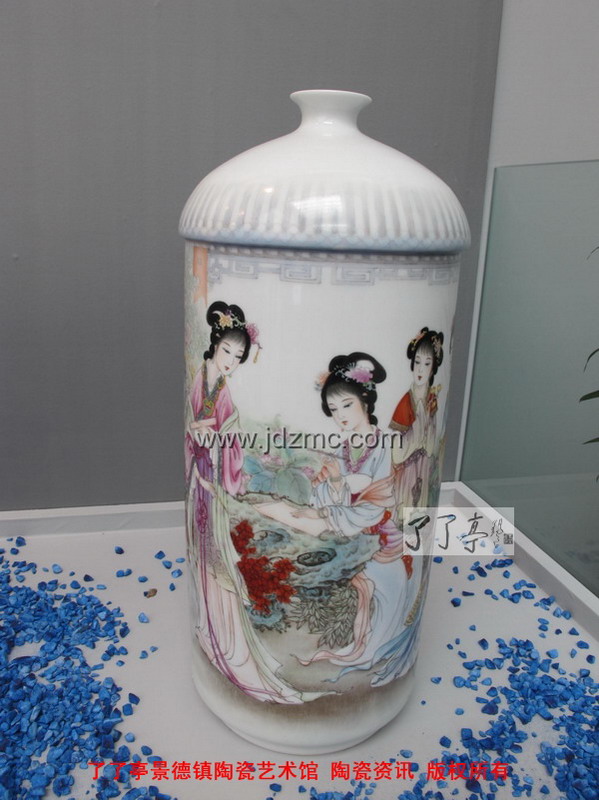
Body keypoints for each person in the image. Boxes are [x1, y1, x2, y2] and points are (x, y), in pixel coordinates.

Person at [185, 301, 306, 703]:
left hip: (209, 476)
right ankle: (214, 637)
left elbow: (227, 432)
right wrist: (201, 436)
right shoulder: (202, 379)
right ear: (214, 344)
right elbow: (199, 426)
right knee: (209, 554)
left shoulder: (219, 386)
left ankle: (224, 639)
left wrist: (217, 442)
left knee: (218, 553)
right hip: (202, 478)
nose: (231, 361)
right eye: (227, 351)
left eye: (238, 356)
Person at [293, 352, 417, 685]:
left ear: (365, 399)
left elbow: (377, 501)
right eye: (333, 409)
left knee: (388, 608)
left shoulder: (384, 444)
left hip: (383, 538)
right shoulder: (342, 447)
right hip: (356, 534)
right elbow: (324, 494)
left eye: (347, 405)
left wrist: (337, 498)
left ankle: (379, 657)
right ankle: (365, 650)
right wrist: (332, 488)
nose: (341, 416)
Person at [390, 327, 444, 512]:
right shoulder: (406, 402)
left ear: (433, 368)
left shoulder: (431, 399)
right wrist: (414, 445)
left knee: (421, 509)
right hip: (408, 464)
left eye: (427, 364)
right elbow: (396, 447)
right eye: (417, 362)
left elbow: (433, 435)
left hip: (424, 463)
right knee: (405, 506)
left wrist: (427, 447)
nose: (420, 369)